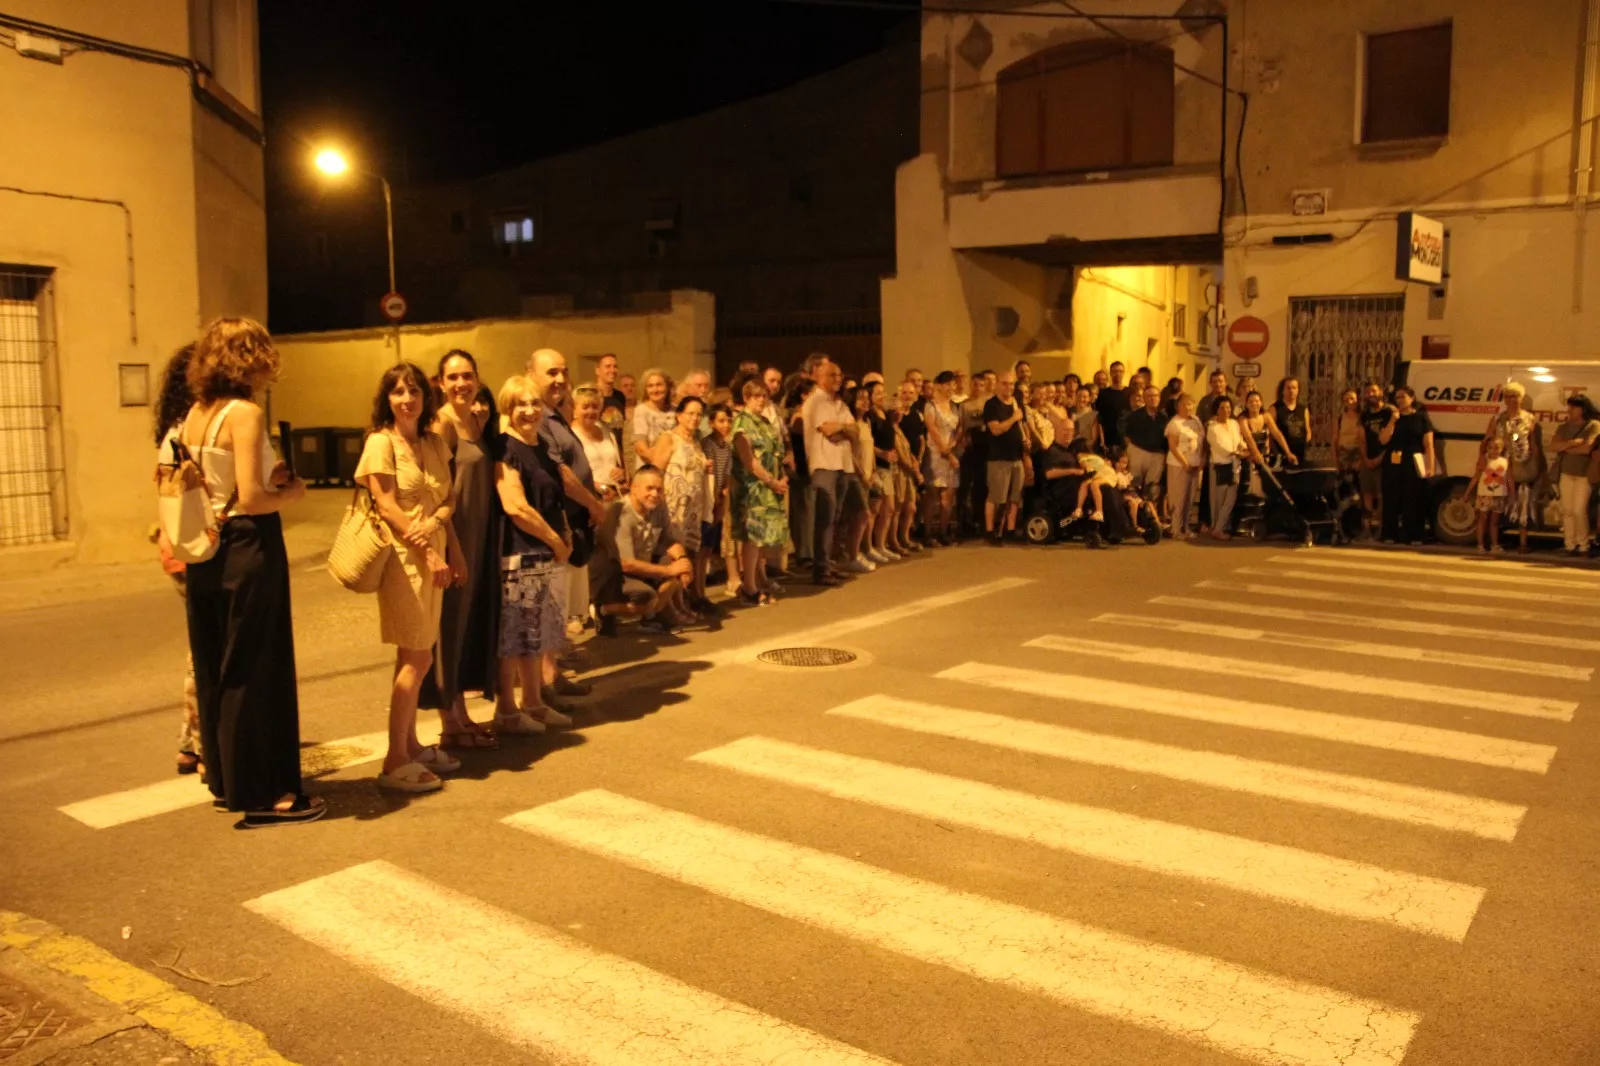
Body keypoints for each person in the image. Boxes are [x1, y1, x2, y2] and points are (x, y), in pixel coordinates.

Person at [178, 318, 320, 825]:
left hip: (206, 548)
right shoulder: (245, 413)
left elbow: (219, 483)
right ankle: (264, 794)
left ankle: (226, 781)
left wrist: (264, 477)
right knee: (255, 667)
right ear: (249, 359)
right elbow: (254, 499)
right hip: (248, 543)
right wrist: (292, 492)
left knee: (216, 664)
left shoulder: (195, 414)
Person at [356, 362, 462, 795]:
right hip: (405, 560)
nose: (407, 399)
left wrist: (439, 531)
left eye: (414, 390)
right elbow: (385, 504)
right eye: (398, 392)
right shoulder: (380, 442)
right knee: (417, 659)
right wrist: (427, 550)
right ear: (387, 399)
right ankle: (394, 759)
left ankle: (411, 744)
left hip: (434, 554)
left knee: (418, 656)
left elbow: (448, 499)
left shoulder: (433, 441)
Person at [493, 375, 575, 736]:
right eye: (520, 404)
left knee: (533, 634)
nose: (529, 411)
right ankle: (507, 712)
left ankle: (534, 704)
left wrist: (563, 535)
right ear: (507, 409)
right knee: (514, 637)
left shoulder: (540, 445)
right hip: (519, 554)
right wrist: (555, 540)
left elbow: (554, 496)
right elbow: (515, 507)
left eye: (534, 403)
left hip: (542, 554)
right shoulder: (506, 448)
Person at [429, 350, 501, 751]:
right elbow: (439, 493)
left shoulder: (474, 420)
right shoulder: (442, 424)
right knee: (449, 629)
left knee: (467, 626)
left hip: (480, 536)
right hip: (455, 538)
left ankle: (461, 714)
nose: (461, 383)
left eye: (467, 376)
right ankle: (449, 722)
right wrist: (453, 551)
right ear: (441, 383)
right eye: (453, 377)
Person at [528, 349, 605, 704]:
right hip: (551, 524)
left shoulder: (555, 413)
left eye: (563, 371)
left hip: (566, 524)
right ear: (532, 374)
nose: (560, 379)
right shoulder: (538, 416)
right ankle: (543, 685)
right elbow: (559, 472)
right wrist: (592, 503)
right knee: (548, 606)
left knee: (556, 605)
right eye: (551, 372)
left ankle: (551, 675)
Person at [151, 345, 202, 776]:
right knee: (204, 649)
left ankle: (191, 742)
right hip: (192, 548)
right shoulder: (188, 430)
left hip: (175, 547)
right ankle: (198, 743)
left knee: (198, 646)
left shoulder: (172, 429)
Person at [591, 466, 695, 633]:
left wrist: (683, 561)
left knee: (676, 568)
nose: (655, 494)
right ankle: (603, 610)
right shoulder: (620, 513)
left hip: (640, 566)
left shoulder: (659, 506)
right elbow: (625, 564)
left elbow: (668, 540)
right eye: (649, 488)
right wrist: (668, 570)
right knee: (648, 597)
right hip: (613, 575)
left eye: (659, 489)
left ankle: (650, 617)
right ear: (633, 488)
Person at [648, 394, 713, 613]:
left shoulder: (696, 442)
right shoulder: (668, 438)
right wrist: (657, 504)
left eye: (699, 415)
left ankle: (682, 603)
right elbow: (655, 471)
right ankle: (669, 608)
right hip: (671, 506)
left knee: (688, 557)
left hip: (691, 510)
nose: (695, 418)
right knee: (673, 556)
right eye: (690, 413)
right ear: (679, 415)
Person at [731, 379, 789, 605]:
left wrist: (781, 477)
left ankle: (756, 581)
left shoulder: (764, 421)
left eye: (764, 396)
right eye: (756, 396)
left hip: (769, 485)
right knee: (752, 538)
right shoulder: (741, 423)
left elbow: (776, 451)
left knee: (761, 538)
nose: (761, 400)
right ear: (746, 398)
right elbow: (749, 461)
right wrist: (772, 481)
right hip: (752, 488)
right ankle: (749, 587)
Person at [801, 359, 855, 586]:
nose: (838, 379)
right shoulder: (817, 401)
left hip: (843, 464)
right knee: (825, 518)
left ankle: (829, 563)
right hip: (824, 464)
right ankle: (821, 568)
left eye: (840, 375)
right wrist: (845, 428)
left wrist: (844, 428)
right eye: (832, 375)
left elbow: (856, 430)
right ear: (819, 377)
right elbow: (829, 430)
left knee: (836, 517)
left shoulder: (839, 403)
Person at [1485, 382, 1546, 554]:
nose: (1511, 400)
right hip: (1502, 466)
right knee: (1498, 502)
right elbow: (1488, 439)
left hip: (1524, 465)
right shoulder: (1498, 419)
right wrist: (1483, 461)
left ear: (1521, 398)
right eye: (1507, 396)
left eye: (1514, 396)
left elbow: (1534, 444)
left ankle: (1523, 542)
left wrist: (1539, 465)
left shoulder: (1530, 419)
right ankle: (1493, 541)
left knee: (1523, 502)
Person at [1378, 385, 1436, 545]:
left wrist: (1430, 466)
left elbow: (1428, 444)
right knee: (1391, 497)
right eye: (1397, 397)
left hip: (1413, 460)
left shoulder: (1421, 418)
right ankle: (1390, 534)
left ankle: (1414, 535)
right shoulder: (1390, 417)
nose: (1400, 400)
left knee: (1413, 497)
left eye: (1403, 396)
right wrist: (1393, 420)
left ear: (1412, 398)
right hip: (1394, 460)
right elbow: (1383, 439)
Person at [1548, 393, 1600, 556]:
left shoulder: (1593, 425)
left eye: (1573, 407)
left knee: (1579, 510)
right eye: (1569, 406)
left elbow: (1587, 448)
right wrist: (1572, 443)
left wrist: (1565, 447)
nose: (1569, 410)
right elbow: (1553, 446)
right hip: (1566, 472)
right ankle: (1569, 545)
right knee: (1567, 510)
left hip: (1584, 474)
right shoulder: (1564, 427)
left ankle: (1583, 545)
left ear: (1583, 409)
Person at [983, 370, 1027, 545]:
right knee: (996, 497)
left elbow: (1022, 425)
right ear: (997, 385)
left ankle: (1010, 530)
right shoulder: (992, 405)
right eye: (1005, 383)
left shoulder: (1017, 403)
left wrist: (1026, 440)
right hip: (998, 458)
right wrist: (1013, 418)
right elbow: (996, 429)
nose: (1009, 387)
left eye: (1011, 384)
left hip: (1017, 457)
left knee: (1015, 497)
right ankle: (990, 531)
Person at [922, 370, 962, 546]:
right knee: (933, 496)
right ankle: (927, 532)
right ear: (938, 386)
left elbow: (959, 429)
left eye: (953, 384)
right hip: (935, 454)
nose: (951, 388)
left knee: (948, 496)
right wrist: (946, 451)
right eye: (947, 385)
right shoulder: (930, 405)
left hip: (950, 451)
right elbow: (932, 429)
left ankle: (943, 532)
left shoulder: (954, 406)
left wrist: (953, 445)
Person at [1206, 396, 1255, 539]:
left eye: (1228, 407)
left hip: (1235, 466)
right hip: (1220, 466)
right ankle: (1217, 528)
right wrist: (1238, 453)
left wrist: (1244, 449)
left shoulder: (1234, 423)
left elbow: (1239, 441)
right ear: (1216, 410)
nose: (1226, 410)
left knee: (1230, 499)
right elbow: (1220, 447)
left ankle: (1219, 528)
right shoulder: (1212, 427)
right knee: (1219, 500)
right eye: (1222, 408)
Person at [702, 403, 735, 598]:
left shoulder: (727, 446)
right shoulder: (708, 444)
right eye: (721, 421)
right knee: (706, 536)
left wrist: (725, 493)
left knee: (715, 534)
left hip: (721, 496)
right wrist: (714, 498)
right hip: (708, 496)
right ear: (711, 423)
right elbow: (710, 473)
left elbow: (727, 472)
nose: (726, 425)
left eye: (728, 421)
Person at [573, 385, 627, 502]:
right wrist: (601, 488)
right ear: (574, 409)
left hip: (615, 495)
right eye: (585, 407)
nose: (591, 411)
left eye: (595, 407)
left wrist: (620, 473)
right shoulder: (571, 435)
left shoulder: (607, 431)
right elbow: (571, 474)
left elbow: (618, 463)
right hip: (589, 497)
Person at [784, 375, 817, 568]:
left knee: (808, 511)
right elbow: (800, 445)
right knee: (804, 511)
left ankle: (808, 551)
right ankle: (804, 554)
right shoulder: (799, 416)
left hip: (808, 466)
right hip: (802, 467)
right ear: (804, 396)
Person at [890, 382, 925, 554]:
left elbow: (921, 439)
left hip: (913, 464)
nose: (907, 396)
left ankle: (905, 538)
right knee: (897, 507)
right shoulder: (893, 423)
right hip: (901, 467)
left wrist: (919, 460)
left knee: (911, 507)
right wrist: (915, 470)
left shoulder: (917, 415)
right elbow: (898, 449)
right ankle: (894, 541)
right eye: (904, 392)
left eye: (911, 393)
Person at [1164, 393, 1205, 539]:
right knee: (1179, 497)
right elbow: (1173, 446)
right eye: (1186, 404)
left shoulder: (1196, 421)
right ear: (1179, 406)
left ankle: (1186, 526)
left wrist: (1201, 459)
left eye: (1191, 404)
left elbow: (1201, 441)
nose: (1189, 407)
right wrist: (1184, 462)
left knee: (1190, 497)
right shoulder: (1175, 423)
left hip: (1195, 463)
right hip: (1179, 464)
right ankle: (1176, 529)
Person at [1358, 382, 1395, 538]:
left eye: (1373, 390)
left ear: (1380, 392)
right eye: (1367, 392)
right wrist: (1366, 459)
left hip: (1384, 459)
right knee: (1367, 492)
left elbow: (1393, 438)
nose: (1370, 394)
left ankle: (1379, 526)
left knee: (1381, 494)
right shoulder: (1364, 415)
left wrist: (1380, 458)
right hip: (1367, 460)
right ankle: (1367, 527)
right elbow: (1361, 439)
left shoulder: (1389, 411)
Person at [1122, 382, 1169, 500]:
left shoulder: (1165, 417)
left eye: (1155, 396)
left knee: (1152, 488)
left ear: (1159, 398)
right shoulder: (1135, 416)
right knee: (1134, 485)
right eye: (1149, 396)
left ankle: (1149, 509)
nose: (1153, 398)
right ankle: (1135, 509)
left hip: (1157, 455)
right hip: (1138, 452)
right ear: (1144, 398)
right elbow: (1127, 436)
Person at [1466, 436, 1509, 554]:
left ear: (1502, 448)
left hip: (1499, 495)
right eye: (1490, 447)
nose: (1493, 450)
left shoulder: (1505, 461)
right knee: (1482, 520)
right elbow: (1476, 477)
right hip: (1484, 495)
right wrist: (1467, 493)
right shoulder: (1483, 460)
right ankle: (1480, 545)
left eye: (1496, 448)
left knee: (1495, 522)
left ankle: (1494, 545)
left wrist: (1511, 494)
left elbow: (1509, 479)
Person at [630, 368, 676, 470]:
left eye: (659, 385)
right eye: (650, 386)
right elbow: (641, 448)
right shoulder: (641, 410)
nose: (655, 390)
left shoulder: (676, 411)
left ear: (667, 387)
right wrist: (659, 466)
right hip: (650, 468)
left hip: (673, 469)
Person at [1270, 377, 1311, 466]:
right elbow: (1272, 433)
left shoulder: (1303, 409)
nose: (1291, 391)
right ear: (1282, 390)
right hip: (1281, 455)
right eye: (1288, 388)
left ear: (1298, 390)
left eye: (1294, 388)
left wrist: (1304, 444)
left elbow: (1307, 430)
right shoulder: (1275, 409)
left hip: (1300, 454)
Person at [1095, 361, 1131, 451]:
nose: (1118, 374)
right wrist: (1102, 440)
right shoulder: (1103, 394)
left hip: (1126, 440)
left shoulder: (1129, 393)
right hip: (1108, 440)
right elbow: (1099, 419)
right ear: (1110, 373)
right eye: (1115, 371)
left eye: (1120, 371)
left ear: (1124, 373)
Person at [1333, 389, 1364, 482]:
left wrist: (1362, 460)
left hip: (1358, 453)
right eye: (1346, 400)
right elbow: (1335, 438)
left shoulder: (1363, 417)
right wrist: (1335, 459)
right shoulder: (1340, 418)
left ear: (1357, 399)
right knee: (1344, 483)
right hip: (1343, 454)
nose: (1350, 402)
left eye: (1352, 398)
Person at [593, 353, 626, 431]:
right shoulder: (591, 395)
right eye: (608, 366)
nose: (612, 370)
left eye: (615, 367)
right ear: (597, 371)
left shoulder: (620, 396)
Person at [1071, 385, 1100, 451]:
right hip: (1070, 448)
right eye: (1079, 396)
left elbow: (1093, 439)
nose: (1081, 399)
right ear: (1075, 396)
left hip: (1085, 449)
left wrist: (1084, 448)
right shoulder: (1070, 413)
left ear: (1089, 398)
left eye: (1084, 397)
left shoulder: (1094, 415)